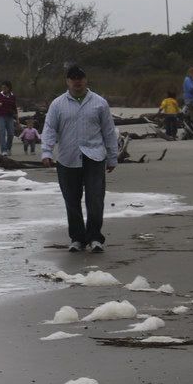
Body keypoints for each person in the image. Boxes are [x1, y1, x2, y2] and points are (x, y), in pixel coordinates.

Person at [41, 66, 118, 253]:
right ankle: (77, 239)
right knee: (71, 201)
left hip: (94, 156)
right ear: (67, 81)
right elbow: (50, 128)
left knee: (95, 199)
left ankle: (94, 238)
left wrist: (112, 156)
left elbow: (109, 130)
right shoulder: (58, 104)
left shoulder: (99, 103)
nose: (77, 81)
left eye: (80, 78)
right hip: (67, 158)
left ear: (86, 79)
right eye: (73, 78)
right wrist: (47, 152)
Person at [0, 80, 18, 156]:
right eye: (2, 87)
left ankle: (8, 147)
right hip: (1, 116)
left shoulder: (13, 96)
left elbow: (15, 108)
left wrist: (17, 119)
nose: (3, 89)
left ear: (9, 88)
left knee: (11, 134)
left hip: (10, 117)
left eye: (5, 87)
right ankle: (3, 150)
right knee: (2, 133)